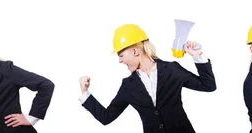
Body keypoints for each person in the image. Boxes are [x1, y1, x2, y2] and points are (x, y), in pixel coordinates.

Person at [78, 23, 216, 133]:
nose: (120, 61)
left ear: (134, 51)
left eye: (121, 55)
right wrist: (85, 93)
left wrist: (197, 56)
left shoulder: (172, 70)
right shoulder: (128, 86)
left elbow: (208, 86)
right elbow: (106, 117)